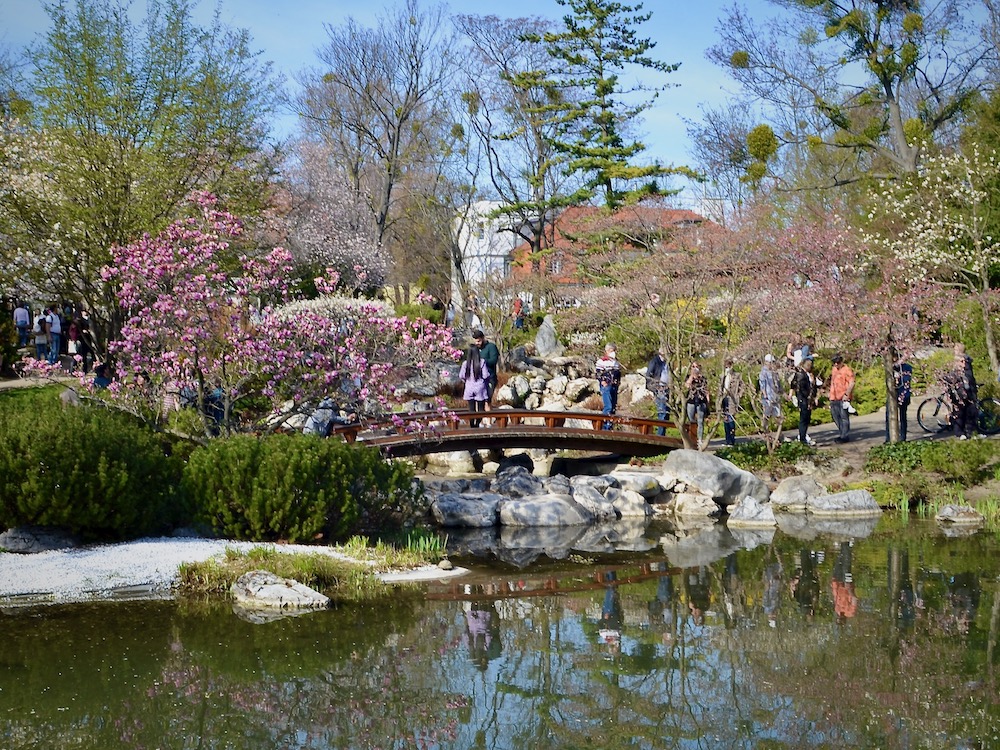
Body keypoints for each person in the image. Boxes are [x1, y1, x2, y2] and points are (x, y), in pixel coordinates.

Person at [945, 347, 978, 440]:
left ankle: (969, 432)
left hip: (968, 392)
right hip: (958, 393)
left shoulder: (967, 366)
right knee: (959, 412)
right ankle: (960, 433)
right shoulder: (954, 367)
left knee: (970, 412)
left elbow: (969, 378)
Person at [459, 343, 490, 427]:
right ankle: (477, 423)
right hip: (480, 387)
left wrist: (466, 380)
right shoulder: (482, 362)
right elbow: (485, 375)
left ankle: (472, 425)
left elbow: (461, 375)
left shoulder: (465, 363)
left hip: (469, 387)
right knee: (481, 409)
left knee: (471, 408)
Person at [828, 354, 856, 443]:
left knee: (844, 417)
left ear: (841, 362)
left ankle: (845, 436)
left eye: (837, 363)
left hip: (843, 397)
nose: (836, 364)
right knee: (835, 416)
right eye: (834, 363)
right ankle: (842, 433)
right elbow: (832, 382)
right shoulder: (834, 369)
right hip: (834, 396)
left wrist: (847, 394)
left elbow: (852, 383)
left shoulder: (847, 370)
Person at [595, 343, 623, 430]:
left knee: (613, 407)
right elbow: (598, 373)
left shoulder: (616, 362)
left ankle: (610, 426)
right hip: (606, 386)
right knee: (608, 406)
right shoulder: (601, 361)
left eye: (614, 350)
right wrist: (603, 382)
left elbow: (618, 373)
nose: (613, 352)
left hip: (614, 386)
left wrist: (618, 382)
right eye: (612, 350)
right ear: (607, 351)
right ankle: (604, 427)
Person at [886, 356, 913, 442]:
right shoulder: (889, 367)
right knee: (889, 416)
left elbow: (906, 381)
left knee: (903, 416)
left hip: (903, 394)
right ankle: (888, 437)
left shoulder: (907, 367)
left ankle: (903, 437)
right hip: (892, 395)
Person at [791, 357, 817, 445]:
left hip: (807, 399)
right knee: (804, 419)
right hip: (803, 399)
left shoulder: (808, 374)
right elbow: (799, 387)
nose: (810, 367)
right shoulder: (801, 374)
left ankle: (803, 436)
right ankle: (802, 438)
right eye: (809, 365)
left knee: (807, 419)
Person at [646, 348, 671, 435]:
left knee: (667, 413)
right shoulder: (655, 361)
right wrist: (655, 388)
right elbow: (648, 375)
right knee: (662, 412)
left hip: (667, 388)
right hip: (659, 389)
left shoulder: (667, 362)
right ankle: (660, 435)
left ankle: (662, 433)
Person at [684, 361, 710, 446]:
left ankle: (700, 439)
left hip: (701, 401)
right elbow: (687, 386)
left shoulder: (703, 379)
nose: (695, 368)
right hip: (691, 401)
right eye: (693, 366)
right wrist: (692, 377)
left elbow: (706, 390)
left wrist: (708, 401)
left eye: (696, 366)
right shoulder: (688, 377)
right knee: (691, 420)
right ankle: (691, 438)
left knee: (700, 421)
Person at [471, 329, 499, 405]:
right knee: (478, 402)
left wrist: (482, 361)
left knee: (487, 401)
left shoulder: (491, 347)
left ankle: (488, 416)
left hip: (490, 378)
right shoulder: (474, 349)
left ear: (483, 338)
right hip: (477, 379)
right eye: (476, 341)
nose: (477, 343)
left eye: (479, 341)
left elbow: (494, 360)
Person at [758, 353, 783, 436]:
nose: (772, 364)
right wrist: (765, 395)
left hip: (775, 397)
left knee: (778, 416)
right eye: (771, 362)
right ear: (766, 362)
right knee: (766, 416)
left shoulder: (774, 372)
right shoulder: (763, 372)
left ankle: (779, 435)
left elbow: (778, 385)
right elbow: (762, 385)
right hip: (768, 397)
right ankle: (765, 433)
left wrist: (782, 393)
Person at [719, 358, 741, 446]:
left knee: (731, 419)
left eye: (729, 366)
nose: (727, 368)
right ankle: (727, 440)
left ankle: (732, 440)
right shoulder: (722, 376)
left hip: (732, 399)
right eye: (726, 366)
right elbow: (720, 387)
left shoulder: (737, 375)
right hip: (724, 398)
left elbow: (741, 386)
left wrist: (739, 395)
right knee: (725, 419)